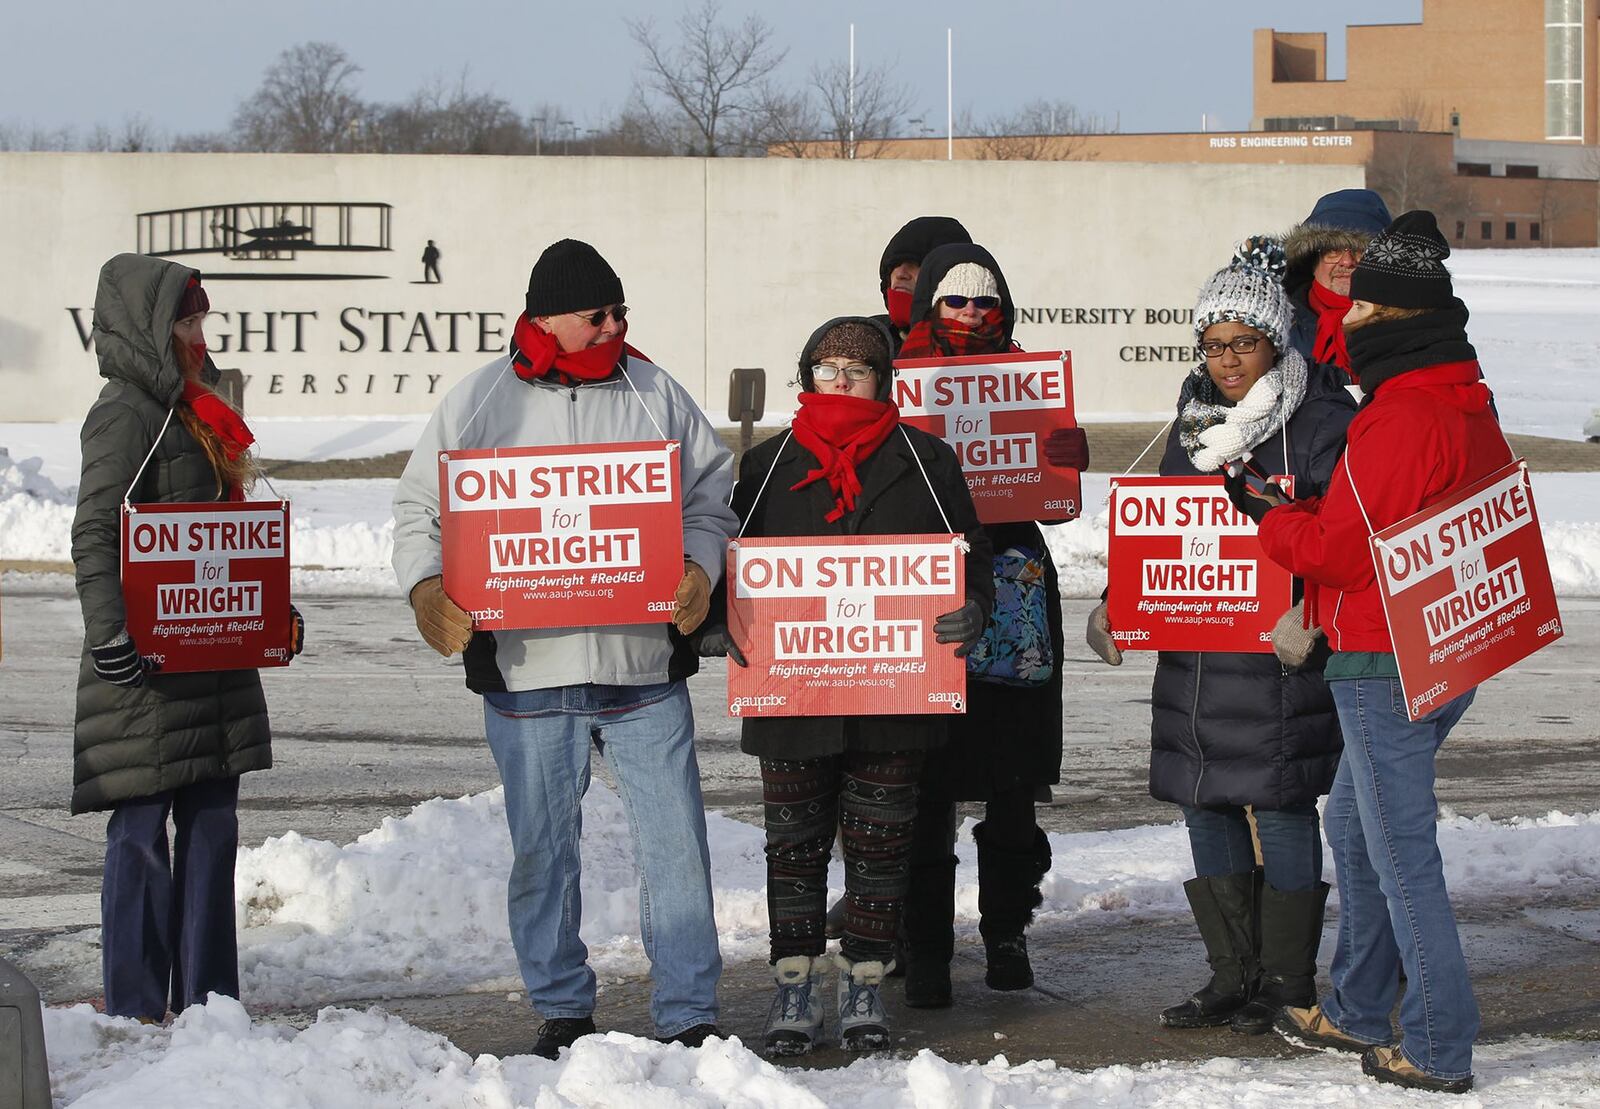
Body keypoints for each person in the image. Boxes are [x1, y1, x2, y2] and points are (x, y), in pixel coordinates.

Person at [391, 239, 737, 1059]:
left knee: (677, 847)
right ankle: (562, 1007)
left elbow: (710, 495)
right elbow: (418, 511)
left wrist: (699, 563)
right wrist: (424, 589)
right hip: (525, 674)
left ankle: (689, 1012)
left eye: (623, 312)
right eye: (599, 314)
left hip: (640, 669)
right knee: (544, 854)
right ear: (547, 317)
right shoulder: (480, 401)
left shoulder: (654, 391)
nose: (616, 325)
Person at [1234, 211, 1504, 1096]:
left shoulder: (1397, 417)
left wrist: (1269, 517)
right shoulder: (1463, 395)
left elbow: (1340, 553)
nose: (1339, 316)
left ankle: (1436, 1040)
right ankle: (1355, 1004)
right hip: (1440, 644)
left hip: (1381, 657)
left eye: (1358, 308)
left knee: (1398, 851)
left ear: (1391, 319)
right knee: (1352, 821)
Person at [694, 316, 992, 1056]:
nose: (841, 379)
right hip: (791, 694)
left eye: (857, 368)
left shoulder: (927, 461)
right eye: (827, 367)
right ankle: (793, 982)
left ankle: (864, 977)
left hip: (894, 693)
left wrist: (973, 606)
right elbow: (727, 559)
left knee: (879, 844)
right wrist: (711, 619)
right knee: (792, 847)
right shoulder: (763, 466)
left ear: (883, 379)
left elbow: (971, 553)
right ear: (806, 375)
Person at [1087, 239, 1354, 1036]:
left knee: (1278, 808)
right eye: (1213, 344)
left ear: (1276, 337)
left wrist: (1309, 607)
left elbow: (1345, 532)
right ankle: (1230, 975)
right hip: (1195, 656)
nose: (1228, 359)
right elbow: (1166, 533)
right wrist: (1119, 599)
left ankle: (1285, 980)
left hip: (1277, 656)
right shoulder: (1190, 424)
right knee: (1202, 803)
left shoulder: (1321, 420)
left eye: (1243, 341)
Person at [71, 255, 304, 1022]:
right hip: (144, 668)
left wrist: (273, 613)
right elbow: (95, 531)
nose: (200, 335)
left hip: (215, 662)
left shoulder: (197, 411)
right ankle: (138, 1003)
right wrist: (109, 632)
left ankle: (208, 1001)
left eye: (201, 319)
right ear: (149, 329)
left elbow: (228, 537)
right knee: (140, 831)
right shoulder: (127, 414)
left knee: (212, 829)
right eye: (186, 321)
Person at [895, 243, 1089, 1007]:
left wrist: (1062, 461)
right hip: (929, 589)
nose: (973, 316)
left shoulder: (1028, 381)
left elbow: (1055, 501)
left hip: (1015, 585)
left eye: (986, 303)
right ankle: (928, 947)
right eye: (956, 301)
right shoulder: (896, 377)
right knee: (926, 784)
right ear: (929, 308)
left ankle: (1006, 930)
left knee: (1013, 784)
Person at [1282, 189, 1392, 387]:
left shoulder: (1407, 324)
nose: (1347, 261)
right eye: (1333, 250)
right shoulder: (1280, 326)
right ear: (1311, 259)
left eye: (1361, 251)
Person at [871, 216, 973, 353]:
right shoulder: (866, 340)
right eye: (894, 265)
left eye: (915, 265)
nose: (901, 273)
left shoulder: (988, 347)